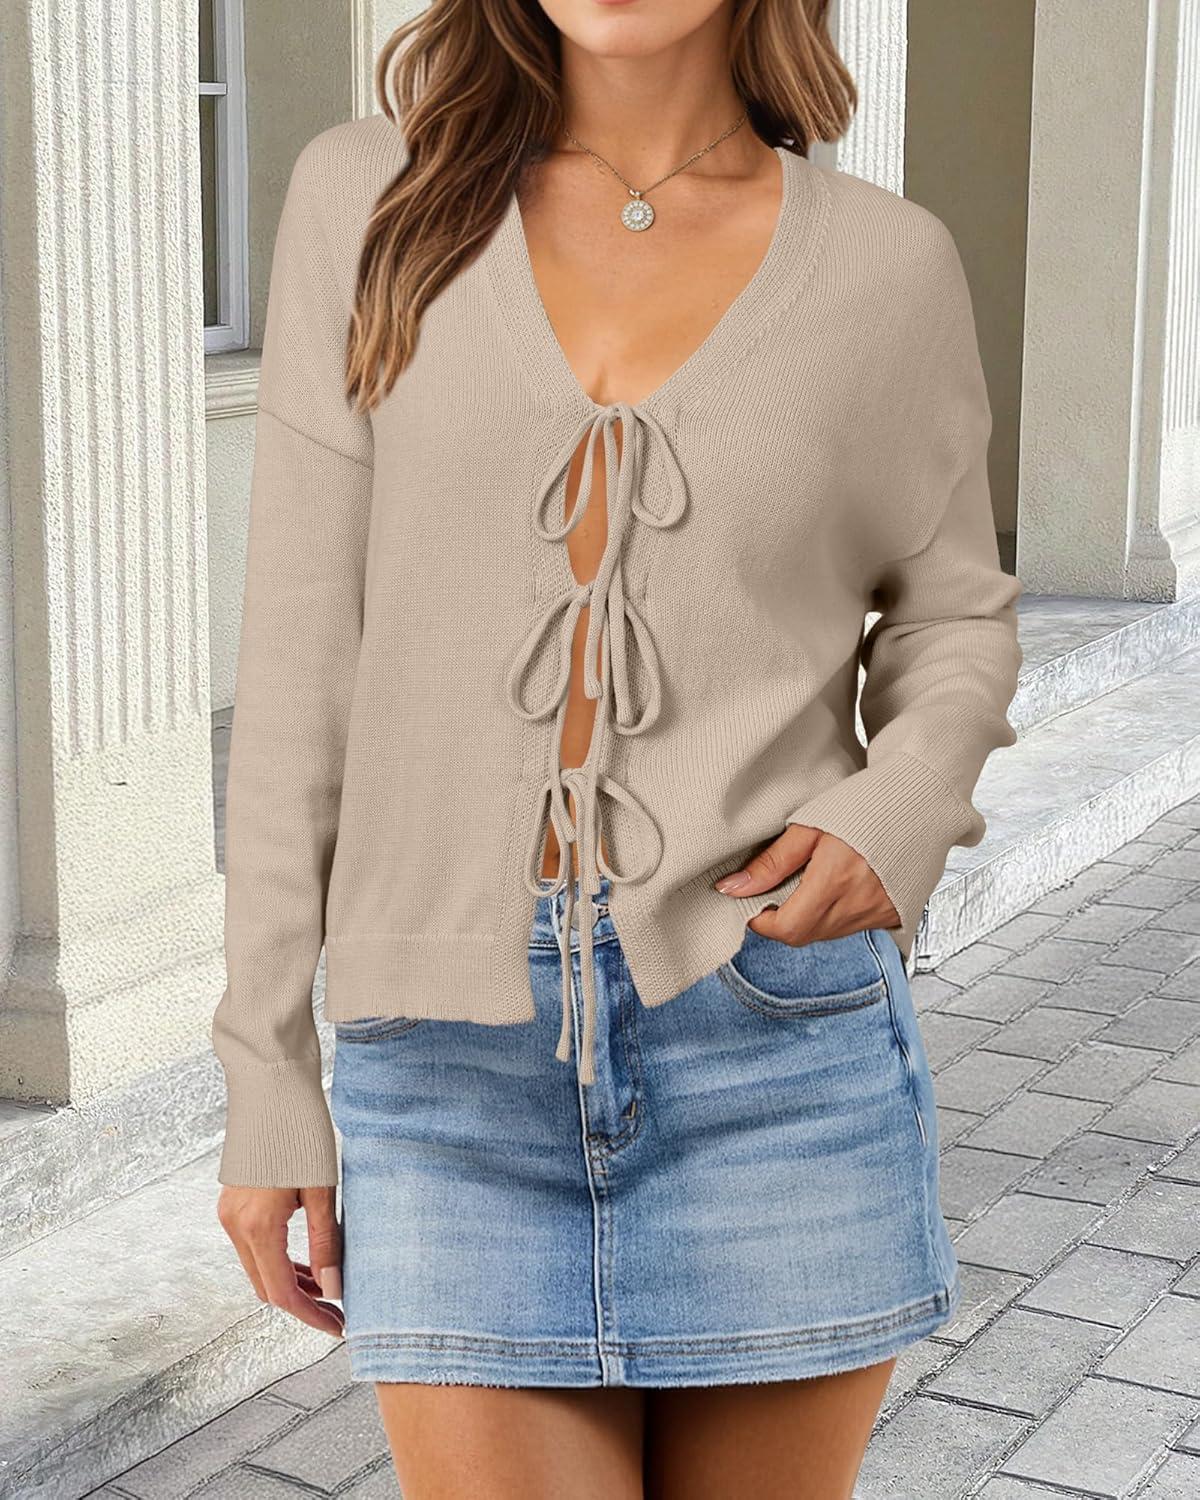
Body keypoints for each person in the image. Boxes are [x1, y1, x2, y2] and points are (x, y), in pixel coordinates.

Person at [213, 1, 1023, 1494]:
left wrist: (898, 807)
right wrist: (266, 1071)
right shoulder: (371, 200)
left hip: (771, 1033)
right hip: (441, 1063)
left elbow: (955, 615)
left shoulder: (887, 265)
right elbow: (297, 667)